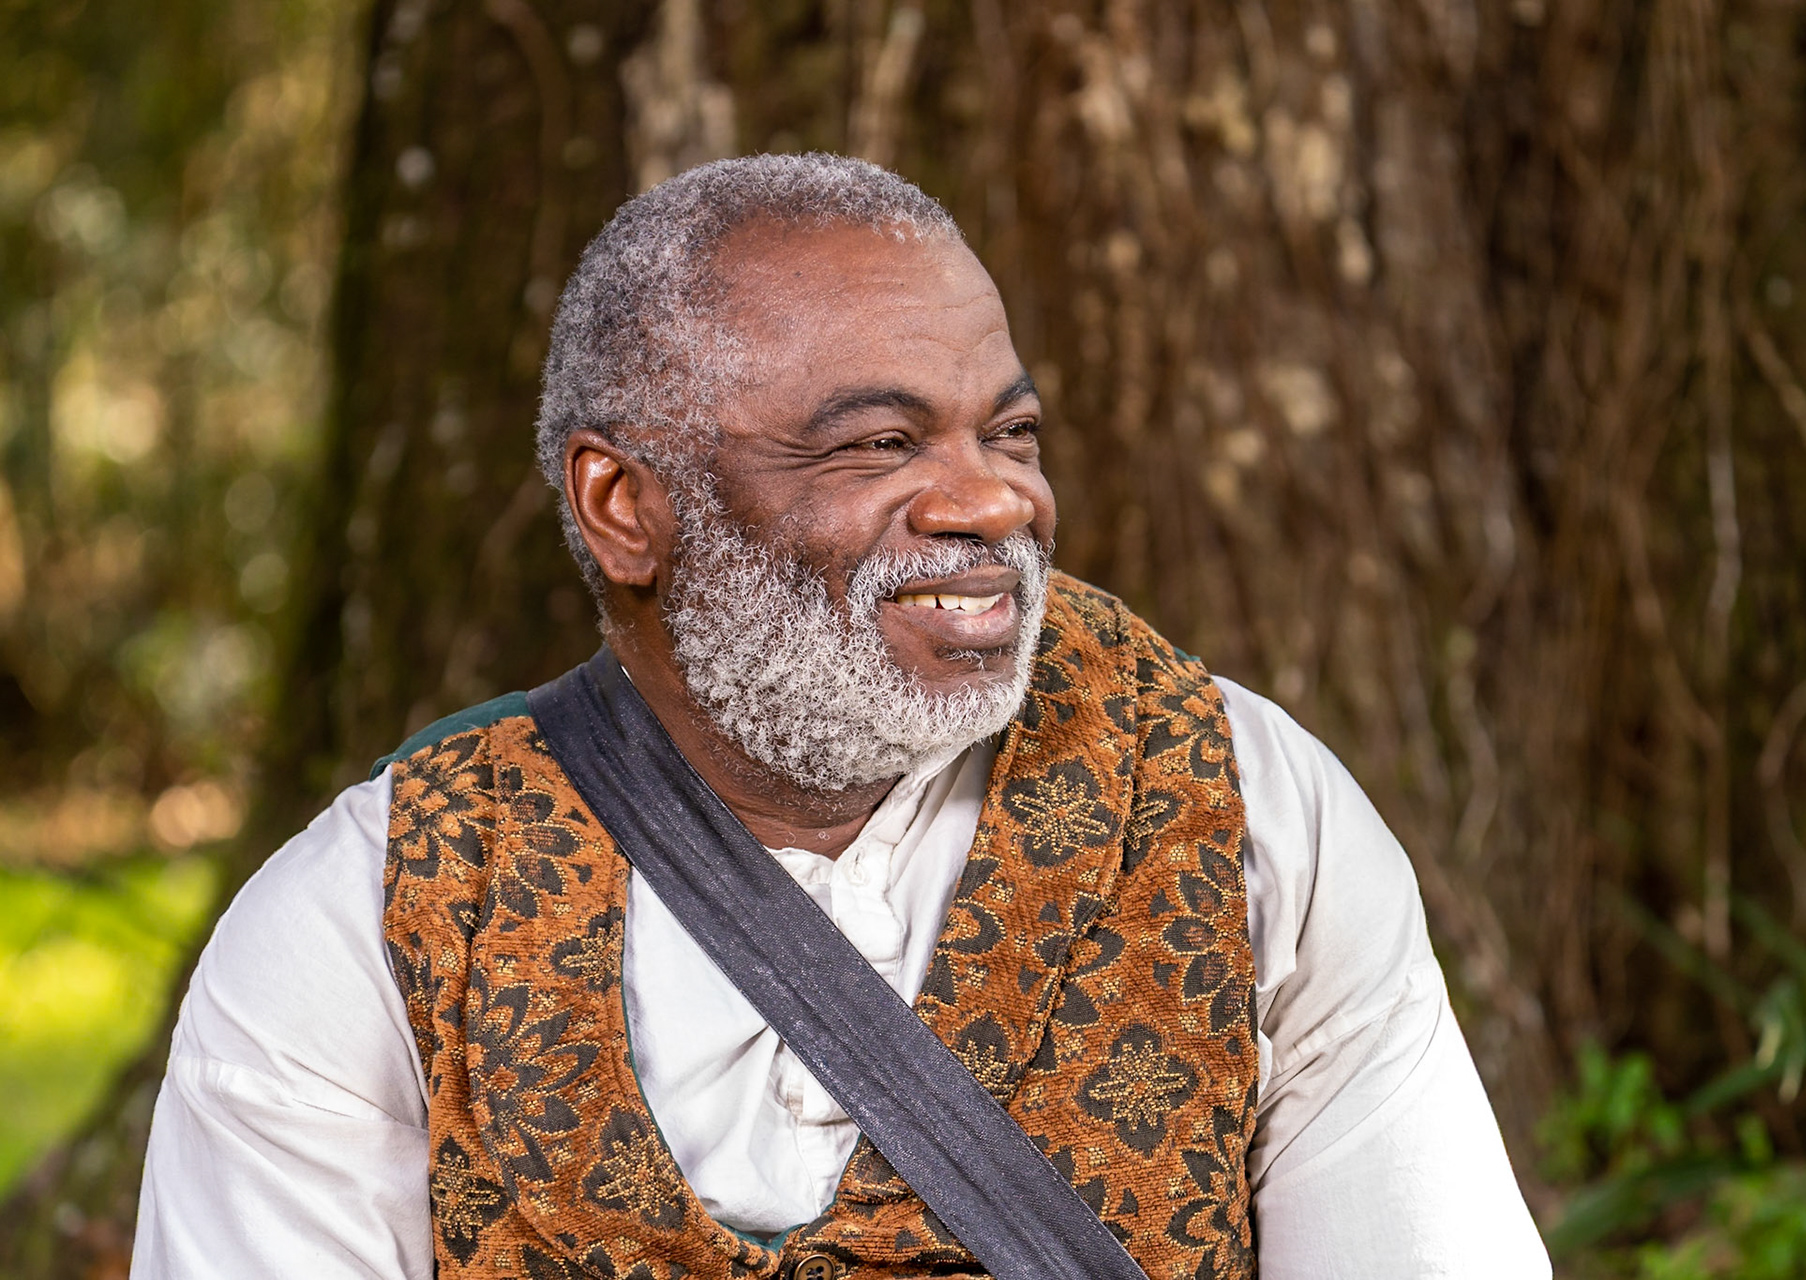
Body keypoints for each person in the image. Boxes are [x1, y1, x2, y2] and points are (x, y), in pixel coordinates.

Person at [130, 153, 1550, 1279]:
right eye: (878, 442)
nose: (995, 501)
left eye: (1010, 433)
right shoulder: (369, 922)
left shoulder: (1243, 808)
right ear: (624, 507)